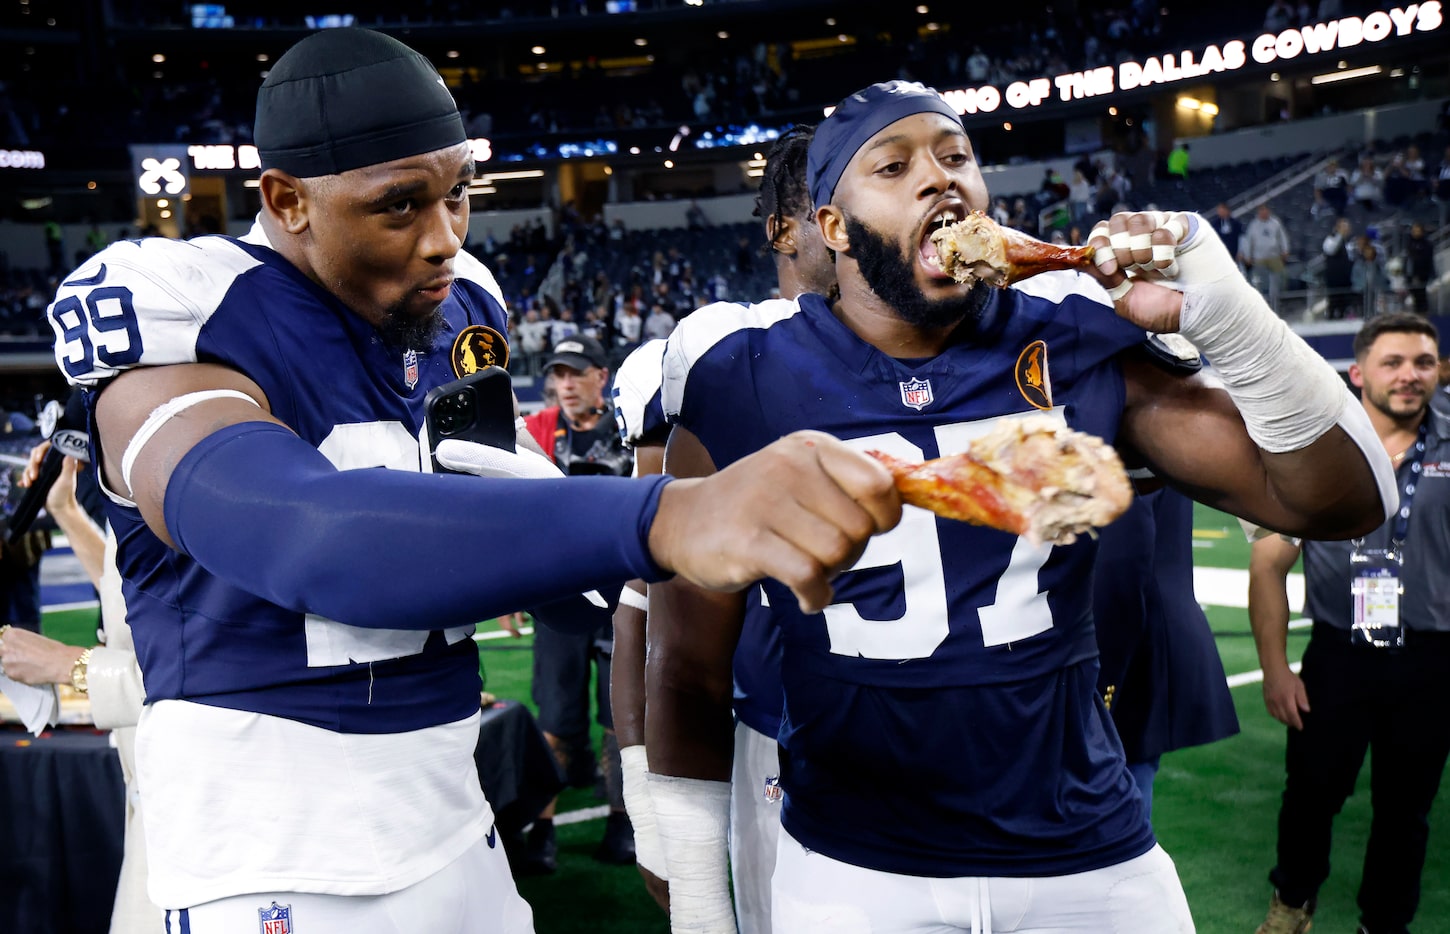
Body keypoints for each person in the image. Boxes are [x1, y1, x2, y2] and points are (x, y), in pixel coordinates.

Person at [47, 30, 904, 933]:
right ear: (287, 199)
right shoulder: (181, 303)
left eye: (458, 194)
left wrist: (717, 599)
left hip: (455, 817)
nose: (444, 238)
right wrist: (666, 514)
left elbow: (513, 540)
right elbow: (304, 535)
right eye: (399, 206)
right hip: (270, 845)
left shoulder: (462, 311)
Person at [645, 80, 1393, 934]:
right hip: (856, 862)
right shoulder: (742, 376)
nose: (940, 179)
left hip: (1087, 846)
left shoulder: (1073, 333)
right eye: (894, 166)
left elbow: (1347, 500)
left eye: (956, 156)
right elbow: (688, 664)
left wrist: (1222, 311)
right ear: (834, 228)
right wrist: (702, 902)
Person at [612, 122, 839, 934]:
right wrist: (652, 803)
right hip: (779, 740)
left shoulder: (952, 357)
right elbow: (648, 612)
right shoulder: (724, 365)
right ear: (788, 227)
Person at [1249, 312, 1449, 934]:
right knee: (1309, 795)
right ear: (1359, 372)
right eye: (1393, 362)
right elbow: (1268, 563)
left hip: (1431, 660)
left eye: (1423, 362)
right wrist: (1277, 669)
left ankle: (1384, 925)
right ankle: (1291, 906)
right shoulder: (1319, 445)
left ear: (1440, 369)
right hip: (1341, 655)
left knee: (1406, 811)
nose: (1410, 376)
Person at [0, 442, 160, 934]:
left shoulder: (197, 487)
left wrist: (72, 664)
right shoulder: (140, 487)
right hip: (151, 805)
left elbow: (226, 679)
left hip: (206, 819)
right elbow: (126, 596)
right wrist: (65, 510)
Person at [516, 333, 636, 872]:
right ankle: (543, 828)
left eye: (575, 373)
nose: (563, 384)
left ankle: (621, 820)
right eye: (557, 375)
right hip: (559, 596)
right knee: (557, 718)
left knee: (618, 719)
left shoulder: (631, 430)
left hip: (620, 597)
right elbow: (513, 507)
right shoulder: (538, 430)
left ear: (600, 378)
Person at [1093, 484, 1240, 818]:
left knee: (1114, 810)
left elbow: (1121, 560)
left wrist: (1101, 685)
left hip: (1132, 641)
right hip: (1146, 630)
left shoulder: (1118, 433)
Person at [1239, 203, 1290, 309]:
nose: (1264, 213)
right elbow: (1249, 242)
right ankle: (1261, 305)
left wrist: (1285, 250)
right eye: (1261, 211)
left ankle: (1277, 303)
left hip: (1274, 256)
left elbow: (1282, 237)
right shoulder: (1253, 225)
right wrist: (1248, 256)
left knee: (1278, 280)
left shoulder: (1275, 223)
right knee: (1260, 282)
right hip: (1259, 258)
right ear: (1259, 213)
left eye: (1265, 211)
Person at [1321, 217, 1357, 320]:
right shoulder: (1330, 239)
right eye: (1343, 227)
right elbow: (1330, 250)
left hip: (1347, 280)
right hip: (1334, 280)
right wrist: (1339, 235)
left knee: (1346, 305)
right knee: (1334, 304)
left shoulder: (1350, 242)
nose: (1346, 229)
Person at [1208, 203, 1242, 269]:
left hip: (1233, 252)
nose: (1221, 212)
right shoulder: (1214, 224)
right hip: (1219, 254)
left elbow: (1240, 238)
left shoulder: (1236, 223)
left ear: (1228, 211)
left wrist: (1240, 252)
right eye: (1220, 211)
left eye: (1223, 210)